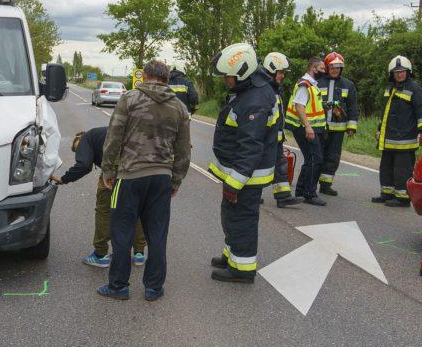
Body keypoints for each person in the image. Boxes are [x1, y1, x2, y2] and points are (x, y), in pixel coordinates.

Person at [98, 59, 191, 301]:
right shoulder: (179, 108)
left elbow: (113, 137)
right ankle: (153, 288)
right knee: (157, 235)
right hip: (161, 178)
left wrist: (108, 171)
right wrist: (176, 180)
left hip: (129, 176)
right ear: (166, 79)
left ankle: (118, 286)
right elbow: (183, 150)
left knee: (122, 232)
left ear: (145, 75)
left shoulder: (129, 99)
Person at [208, 42, 281, 283]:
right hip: (241, 173)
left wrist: (234, 183)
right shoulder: (250, 89)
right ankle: (232, 256)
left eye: (228, 77)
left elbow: (251, 146)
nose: (225, 81)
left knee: (242, 219)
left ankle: (242, 270)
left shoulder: (255, 100)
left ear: (242, 73)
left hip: (247, 176)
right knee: (231, 216)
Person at [51, 127, 147, 268]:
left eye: (77, 149)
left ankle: (100, 255)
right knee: (137, 210)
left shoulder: (85, 138)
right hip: (139, 168)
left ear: (79, 138)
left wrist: (63, 179)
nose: (78, 151)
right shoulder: (103, 134)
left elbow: (84, 165)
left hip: (114, 171)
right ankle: (139, 253)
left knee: (104, 211)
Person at [373, 56, 422, 207]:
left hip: (405, 139)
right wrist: (380, 129)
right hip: (389, 137)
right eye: (396, 72)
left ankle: (403, 198)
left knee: (402, 170)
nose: (399, 74)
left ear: (408, 72)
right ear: (391, 74)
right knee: (386, 167)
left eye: (402, 71)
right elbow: (385, 111)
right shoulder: (389, 88)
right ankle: (387, 194)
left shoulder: (414, 88)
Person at [262, 52, 303, 208]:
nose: (283, 76)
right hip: (264, 138)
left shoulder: (274, 88)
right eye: (281, 72)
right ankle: (249, 194)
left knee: (280, 165)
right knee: (256, 167)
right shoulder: (265, 89)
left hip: (275, 138)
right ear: (272, 70)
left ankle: (283, 196)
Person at [285, 56, 328, 206]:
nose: (324, 71)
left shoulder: (312, 84)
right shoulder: (305, 84)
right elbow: (299, 106)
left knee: (311, 159)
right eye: (322, 68)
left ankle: (301, 191)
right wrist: (308, 127)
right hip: (305, 128)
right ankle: (309, 194)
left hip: (308, 127)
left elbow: (311, 106)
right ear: (313, 68)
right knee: (315, 159)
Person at [317, 51, 359, 197]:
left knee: (333, 157)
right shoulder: (317, 82)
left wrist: (352, 127)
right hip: (320, 128)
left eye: (338, 67)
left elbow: (353, 107)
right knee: (317, 155)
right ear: (327, 67)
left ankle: (326, 184)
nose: (335, 70)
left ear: (341, 68)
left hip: (338, 129)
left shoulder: (348, 85)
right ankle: (311, 183)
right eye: (332, 67)